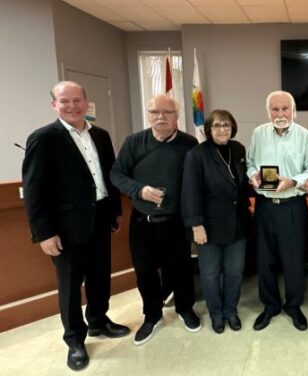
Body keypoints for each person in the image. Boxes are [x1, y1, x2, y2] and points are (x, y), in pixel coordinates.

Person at [22, 81, 130, 371]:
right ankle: (74, 340)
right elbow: (34, 189)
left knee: (99, 277)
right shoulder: (43, 138)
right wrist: (43, 232)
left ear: (86, 102)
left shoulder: (101, 135)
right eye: (64, 101)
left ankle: (98, 320)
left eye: (77, 100)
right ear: (54, 105)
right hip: (65, 228)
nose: (72, 106)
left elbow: (110, 176)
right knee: (70, 287)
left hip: (100, 220)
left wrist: (116, 212)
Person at [110, 95, 200, 345]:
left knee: (181, 268)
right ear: (148, 114)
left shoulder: (189, 143)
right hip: (142, 221)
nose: (161, 117)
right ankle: (152, 316)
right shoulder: (133, 142)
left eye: (167, 112)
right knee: (144, 272)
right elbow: (116, 174)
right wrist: (139, 190)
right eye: (155, 112)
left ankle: (185, 309)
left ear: (177, 116)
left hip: (175, 220)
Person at [246, 90, 308, 331]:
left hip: (292, 206)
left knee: (293, 259)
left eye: (285, 108)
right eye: (275, 109)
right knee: (264, 259)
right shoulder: (258, 134)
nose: (280, 114)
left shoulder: (304, 136)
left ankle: (293, 306)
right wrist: (253, 176)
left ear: (293, 110)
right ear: (268, 112)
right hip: (265, 206)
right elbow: (250, 163)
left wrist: (293, 182)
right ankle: (270, 306)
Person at [181, 110, 249, 334]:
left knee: (235, 272)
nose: (222, 130)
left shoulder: (238, 149)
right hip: (207, 227)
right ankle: (216, 313)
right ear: (208, 129)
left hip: (237, 224)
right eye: (217, 125)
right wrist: (196, 225)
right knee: (210, 274)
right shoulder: (196, 154)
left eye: (227, 125)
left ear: (233, 128)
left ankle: (231, 310)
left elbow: (242, 183)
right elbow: (190, 193)